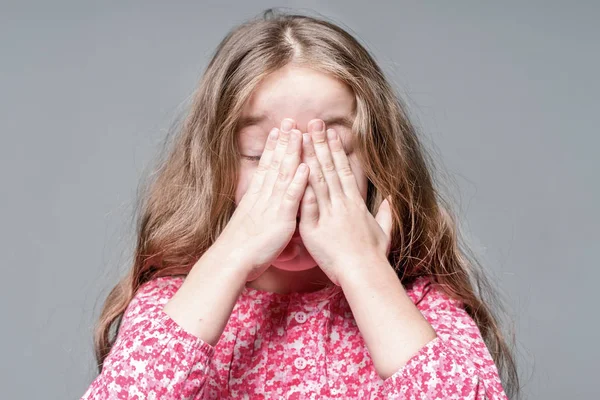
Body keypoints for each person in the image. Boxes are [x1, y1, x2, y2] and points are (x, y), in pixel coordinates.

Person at [82, 8, 519, 400]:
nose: (299, 177)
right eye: (261, 154)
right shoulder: (173, 305)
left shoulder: (420, 309)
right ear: (215, 167)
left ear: (379, 161)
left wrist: (364, 270)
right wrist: (229, 259)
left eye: (331, 149)